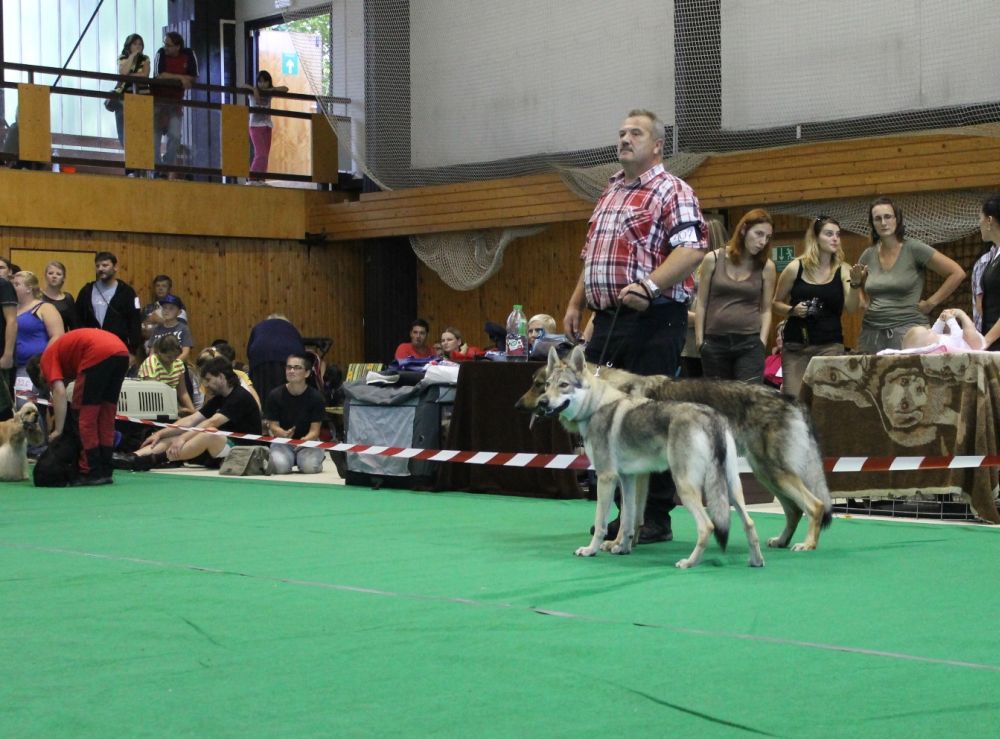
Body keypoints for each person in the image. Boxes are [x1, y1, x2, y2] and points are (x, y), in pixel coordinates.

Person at [562, 109, 707, 544]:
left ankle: (653, 517)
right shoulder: (610, 191)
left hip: (654, 318)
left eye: (636, 133)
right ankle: (624, 517)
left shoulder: (672, 190)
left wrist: (649, 284)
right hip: (609, 320)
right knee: (602, 417)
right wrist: (576, 302)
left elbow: (692, 250)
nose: (625, 138)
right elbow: (594, 257)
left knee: (647, 418)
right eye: (622, 132)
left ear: (657, 145)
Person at [853, 197, 965, 353]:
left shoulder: (914, 248)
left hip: (908, 332)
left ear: (897, 219)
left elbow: (956, 273)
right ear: (872, 224)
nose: (883, 223)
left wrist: (931, 303)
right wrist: (863, 300)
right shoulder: (868, 254)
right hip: (871, 333)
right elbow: (858, 283)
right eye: (877, 219)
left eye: (888, 217)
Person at [771, 216, 862, 398]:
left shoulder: (843, 269)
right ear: (815, 237)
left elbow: (852, 308)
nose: (835, 238)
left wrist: (855, 285)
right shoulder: (795, 267)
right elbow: (774, 303)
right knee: (794, 401)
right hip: (796, 346)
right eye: (829, 234)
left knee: (826, 401)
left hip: (829, 345)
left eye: (837, 234)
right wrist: (792, 310)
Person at [26, 329, 130, 485]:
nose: (49, 384)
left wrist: (58, 430)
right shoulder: (62, 353)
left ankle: (91, 471)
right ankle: (105, 470)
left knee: (84, 417)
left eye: (46, 382)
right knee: (105, 414)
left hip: (97, 354)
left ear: (40, 371)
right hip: (121, 352)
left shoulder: (46, 359)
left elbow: (59, 392)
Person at [123, 356, 262, 471]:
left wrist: (183, 438)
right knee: (175, 435)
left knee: (209, 433)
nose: (206, 385)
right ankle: (132, 457)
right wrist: (160, 433)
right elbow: (191, 420)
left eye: (208, 380)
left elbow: (211, 423)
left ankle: (155, 460)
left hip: (245, 449)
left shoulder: (240, 397)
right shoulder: (219, 398)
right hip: (224, 447)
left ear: (221, 377)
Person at [695, 208, 777, 383]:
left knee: (748, 398)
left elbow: (766, 309)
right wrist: (700, 341)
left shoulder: (766, 266)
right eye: (759, 234)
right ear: (743, 229)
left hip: (749, 342)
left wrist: (762, 342)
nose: (763, 242)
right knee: (718, 399)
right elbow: (701, 303)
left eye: (767, 237)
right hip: (714, 341)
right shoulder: (713, 259)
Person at [263, 353, 327, 474]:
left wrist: (304, 440)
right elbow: (273, 426)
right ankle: (290, 459)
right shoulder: (274, 395)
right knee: (279, 467)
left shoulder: (316, 397)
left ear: (307, 373)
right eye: (289, 367)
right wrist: (283, 433)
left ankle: (315, 457)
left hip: (308, 443)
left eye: (297, 367)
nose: (291, 371)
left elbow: (315, 431)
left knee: (309, 468)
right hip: (283, 442)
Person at [76, 251, 143, 357]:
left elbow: (135, 321)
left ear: (115, 267)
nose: (100, 269)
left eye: (105, 265)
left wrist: (132, 351)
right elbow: (77, 320)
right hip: (91, 348)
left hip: (118, 348)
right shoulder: (86, 291)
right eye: (97, 266)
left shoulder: (127, 292)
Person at [12, 271, 64, 404]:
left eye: (17, 284)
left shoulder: (44, 308)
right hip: (14, 366)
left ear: (29, 288)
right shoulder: (11, 310)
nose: (13, 287)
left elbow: (57, 336)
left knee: (27, 407)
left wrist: (41, 361)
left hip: (34, 367)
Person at [152, 32, 198, 171]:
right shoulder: (160, 53)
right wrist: (181, 78)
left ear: (178, 46)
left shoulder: (189, 54)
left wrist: (181, 79)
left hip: (175, 103)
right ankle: (156, 168)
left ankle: (167, 166)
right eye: (164, 44)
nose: (165, 47)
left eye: (169, 45)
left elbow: (193, 77)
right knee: (155, 137)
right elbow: (159, 75)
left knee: (176, 136)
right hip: (157, 101)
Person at [113, 34, 150, 177]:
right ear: (129, 46)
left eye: (140, 44)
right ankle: (130, 169)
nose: (138, 47)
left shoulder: (145, 59)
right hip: (123, 100)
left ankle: (140, 170)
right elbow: (123, 71)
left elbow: (145, 74)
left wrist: (130, 75)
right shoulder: (123, 58)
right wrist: (132, 57)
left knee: (141, 135)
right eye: (135, 44)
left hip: (142, 99)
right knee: (125, 136)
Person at [242, 70, 288, 185]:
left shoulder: (269, 93)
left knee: (265, 155)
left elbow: (286, 89)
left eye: (265, 82)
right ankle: (252, 179)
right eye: (260, 82)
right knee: (260, 153)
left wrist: (271, 89)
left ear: (269, 82)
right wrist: (254, 89)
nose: (262, 84)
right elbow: (242, 86)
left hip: (267, 126)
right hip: (255, 126)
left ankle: (261, 179)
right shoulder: (253, 92)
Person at [247, 313, 305, 403]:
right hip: (289, 355)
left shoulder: (260, 327)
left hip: (260, 356)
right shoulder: (290, 328)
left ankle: (264, 412)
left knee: (262, 392)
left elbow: (249, 352)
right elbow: (302, 351)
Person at [880, 308, 986, 354]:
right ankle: (962, 314)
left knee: (960, 333)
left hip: (962, 339)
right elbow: (957, 336)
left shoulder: (933, 343)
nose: (930, 330)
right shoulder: (940, 346)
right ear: (928, 344)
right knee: (968, 334)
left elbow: (935, 331)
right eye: (927, 332)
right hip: (973, 344)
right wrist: (951, 320)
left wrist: (941, 319)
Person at [138, 333, 195, 415]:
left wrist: (192, 411)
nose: (172, 359)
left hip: (171, 406)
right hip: (151, 406)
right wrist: (176, 410)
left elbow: (182, 392)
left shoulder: (178, 363)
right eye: (169, 357)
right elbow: (154, 394)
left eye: (175, 356)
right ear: (159, 352)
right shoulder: (151, 363)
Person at [976, 194, 1000, 351]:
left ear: (989, 221)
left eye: (980, 218)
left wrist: (985, 341)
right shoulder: (995, 255)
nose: (979, 223)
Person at [146, 294, 193, 362]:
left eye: (171, 308)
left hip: (178, 367)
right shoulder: (156, 329)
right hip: (159, 368)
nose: (167, 310)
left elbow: (185, 352)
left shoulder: (183, 329)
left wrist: (174, 365)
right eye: (164, 307)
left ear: (179, 312)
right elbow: (152, 352)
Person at [40, 260, 78, 332]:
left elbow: (74, 325)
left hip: (63, 340)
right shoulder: (38, 296)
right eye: (50, 273)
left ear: (63, 278)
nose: (54, 276)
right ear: (45, 276)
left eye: (58, 274)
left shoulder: (68, 298)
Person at [0, 266, 16, 421]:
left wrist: (8, 354)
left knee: (2, 405)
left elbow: (11, 320)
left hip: (1, 355)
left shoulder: (3, 285)